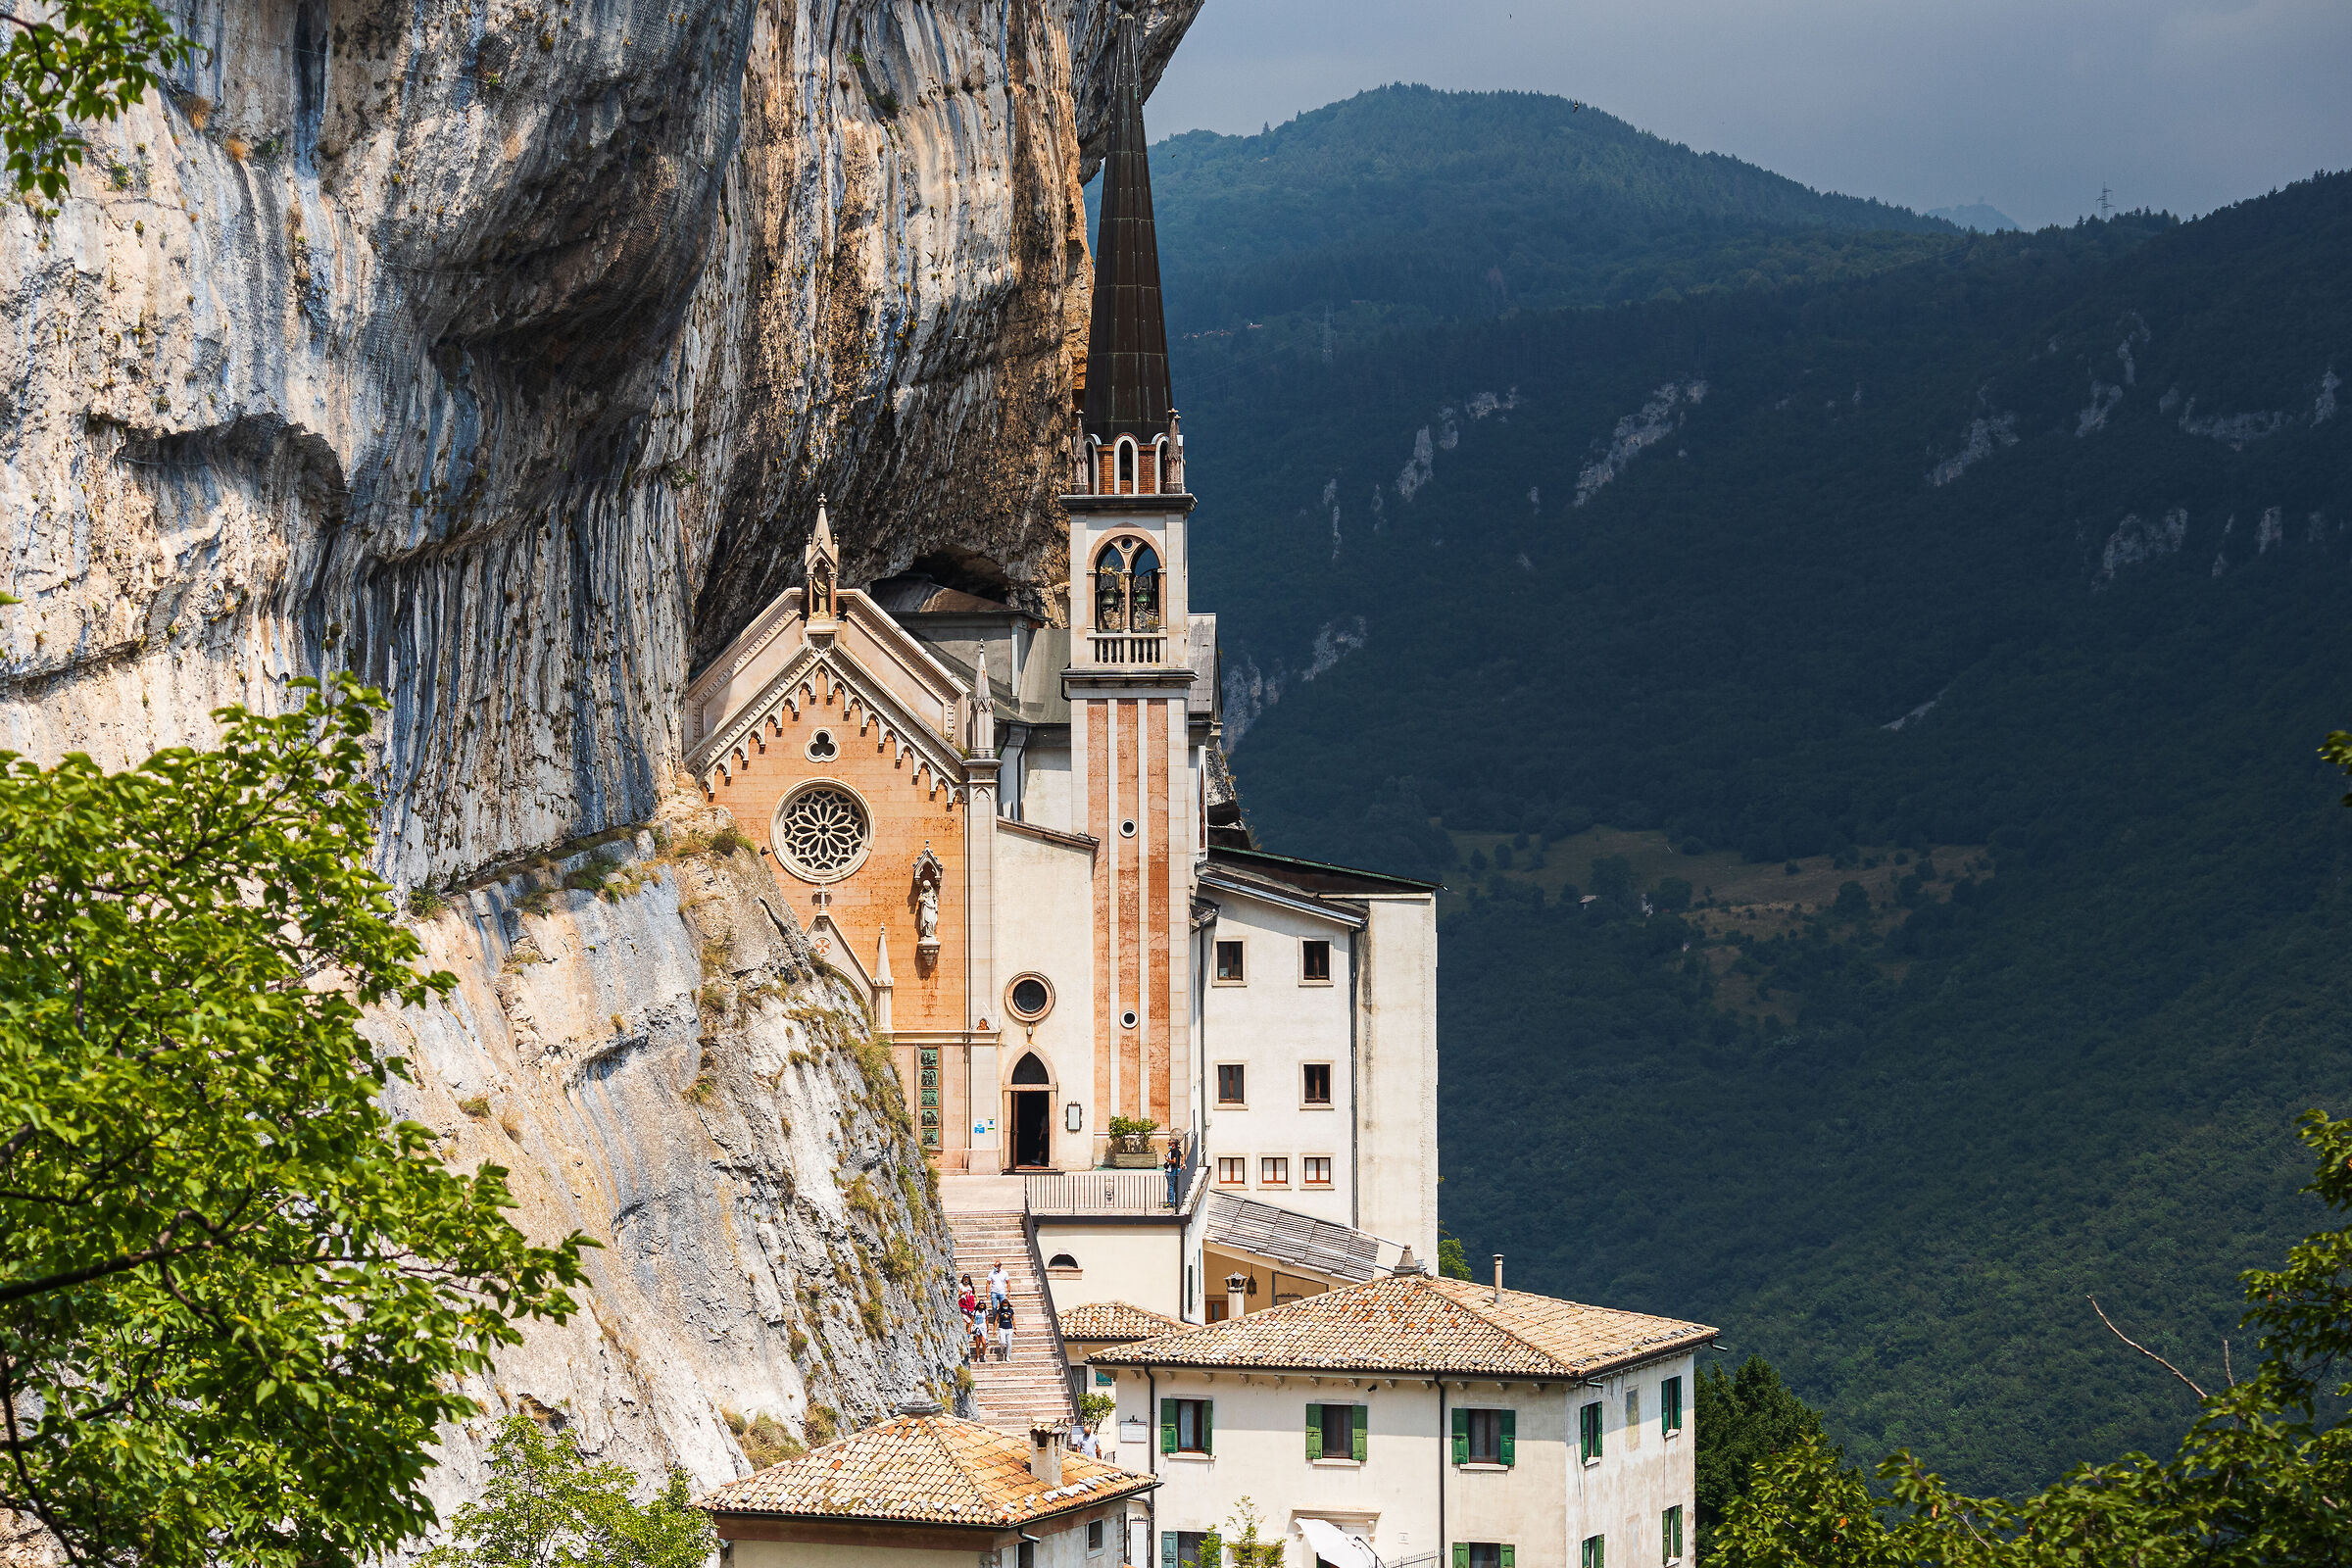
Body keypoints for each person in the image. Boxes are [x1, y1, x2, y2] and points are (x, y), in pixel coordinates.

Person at [1163, 1136, 1184, 1207]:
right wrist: (1182, 1163)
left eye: (1169, 1142)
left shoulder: (1173, 1151)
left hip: (1172, 1171)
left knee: (1171, 1187)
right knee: (1175, 1187)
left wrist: (1167, 1160)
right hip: (1176, 1170)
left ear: (1173, 1144)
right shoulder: (1177, 1151)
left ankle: (1171, 1203)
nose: (1168, 1143)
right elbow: (1182, 1156)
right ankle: (1176, 1201)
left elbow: (1174, 1161)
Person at [994, 1294, 1014, 1359]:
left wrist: (1015, 1327)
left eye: (1006, 1306)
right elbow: (996, 1320)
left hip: (1009, 1327)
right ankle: (1002, 1349)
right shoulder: (999, 1311)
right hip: (1002, 1327)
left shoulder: (1010, 1310)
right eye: (1004, 1306)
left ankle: (1008, 1355)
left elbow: (1013, 1319)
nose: (1005, 1307)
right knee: (1002, 1342)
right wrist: (994, 1329)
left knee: (1009, 1342)